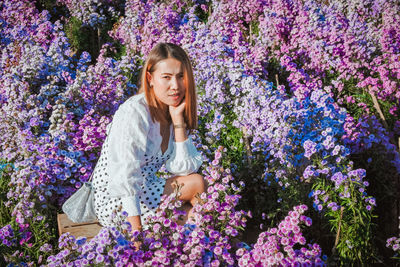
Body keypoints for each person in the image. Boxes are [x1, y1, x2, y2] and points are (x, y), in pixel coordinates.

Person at [92, 42, 205, 234]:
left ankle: (205, 240)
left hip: (147, 189)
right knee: (196, 188)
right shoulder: (134, 112)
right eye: (166, 77)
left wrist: (178, 121)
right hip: (115, 199)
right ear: (150, 78)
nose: (175, 86)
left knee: (195, 204)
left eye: (181, 77)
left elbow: (184, 169)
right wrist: (136, 234)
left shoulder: (171, 109)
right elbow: (125, 178)